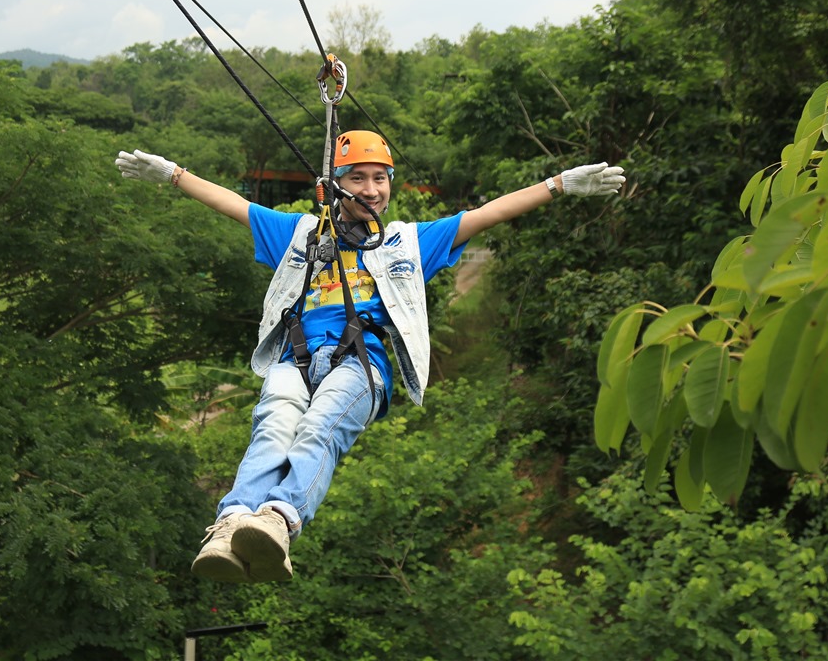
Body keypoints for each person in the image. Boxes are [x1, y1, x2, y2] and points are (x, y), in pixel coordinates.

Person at [115, 130, 624, 583]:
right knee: (273, 423)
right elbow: (232, 205)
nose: (371, 189)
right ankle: (231, 525)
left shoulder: (407, 241)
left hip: (362, 365)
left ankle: (278, 520)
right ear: (334, 184)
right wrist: (174, 175)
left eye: (380, 178)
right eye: (357, 178)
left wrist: (559, 185)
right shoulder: (301, 234)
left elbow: (488, 213)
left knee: (319, 426)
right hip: (295, 357)